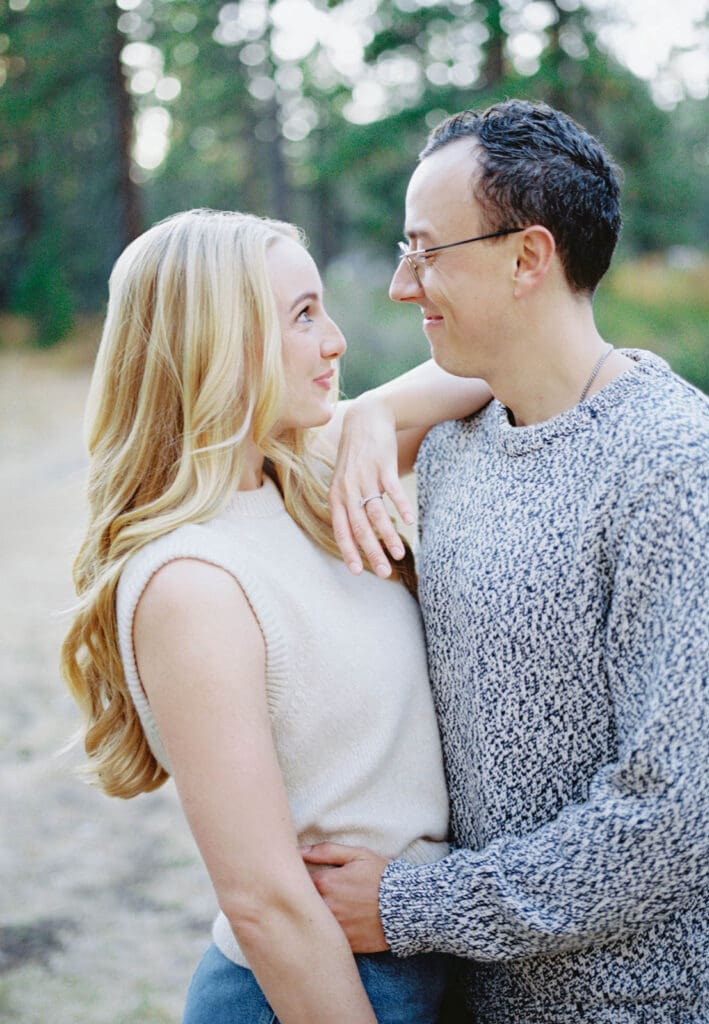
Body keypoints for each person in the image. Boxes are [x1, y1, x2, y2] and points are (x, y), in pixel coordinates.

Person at [300, 100, 709, 1024]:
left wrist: (406, 905)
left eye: (426, 250)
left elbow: (671, 819)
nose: (403, 284)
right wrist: (369, 413)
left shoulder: (672, 467)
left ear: (528, 257)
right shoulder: (454, 441)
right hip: (463, 996)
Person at [59, 208, 493, 1024]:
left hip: (426, 955)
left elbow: (499, 366)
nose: (333, 341)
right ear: (213, 343)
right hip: (316, 990)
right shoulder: (192, 581)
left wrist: (371, 414)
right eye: (300, 315)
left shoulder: (306, 471)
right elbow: (264, 902)